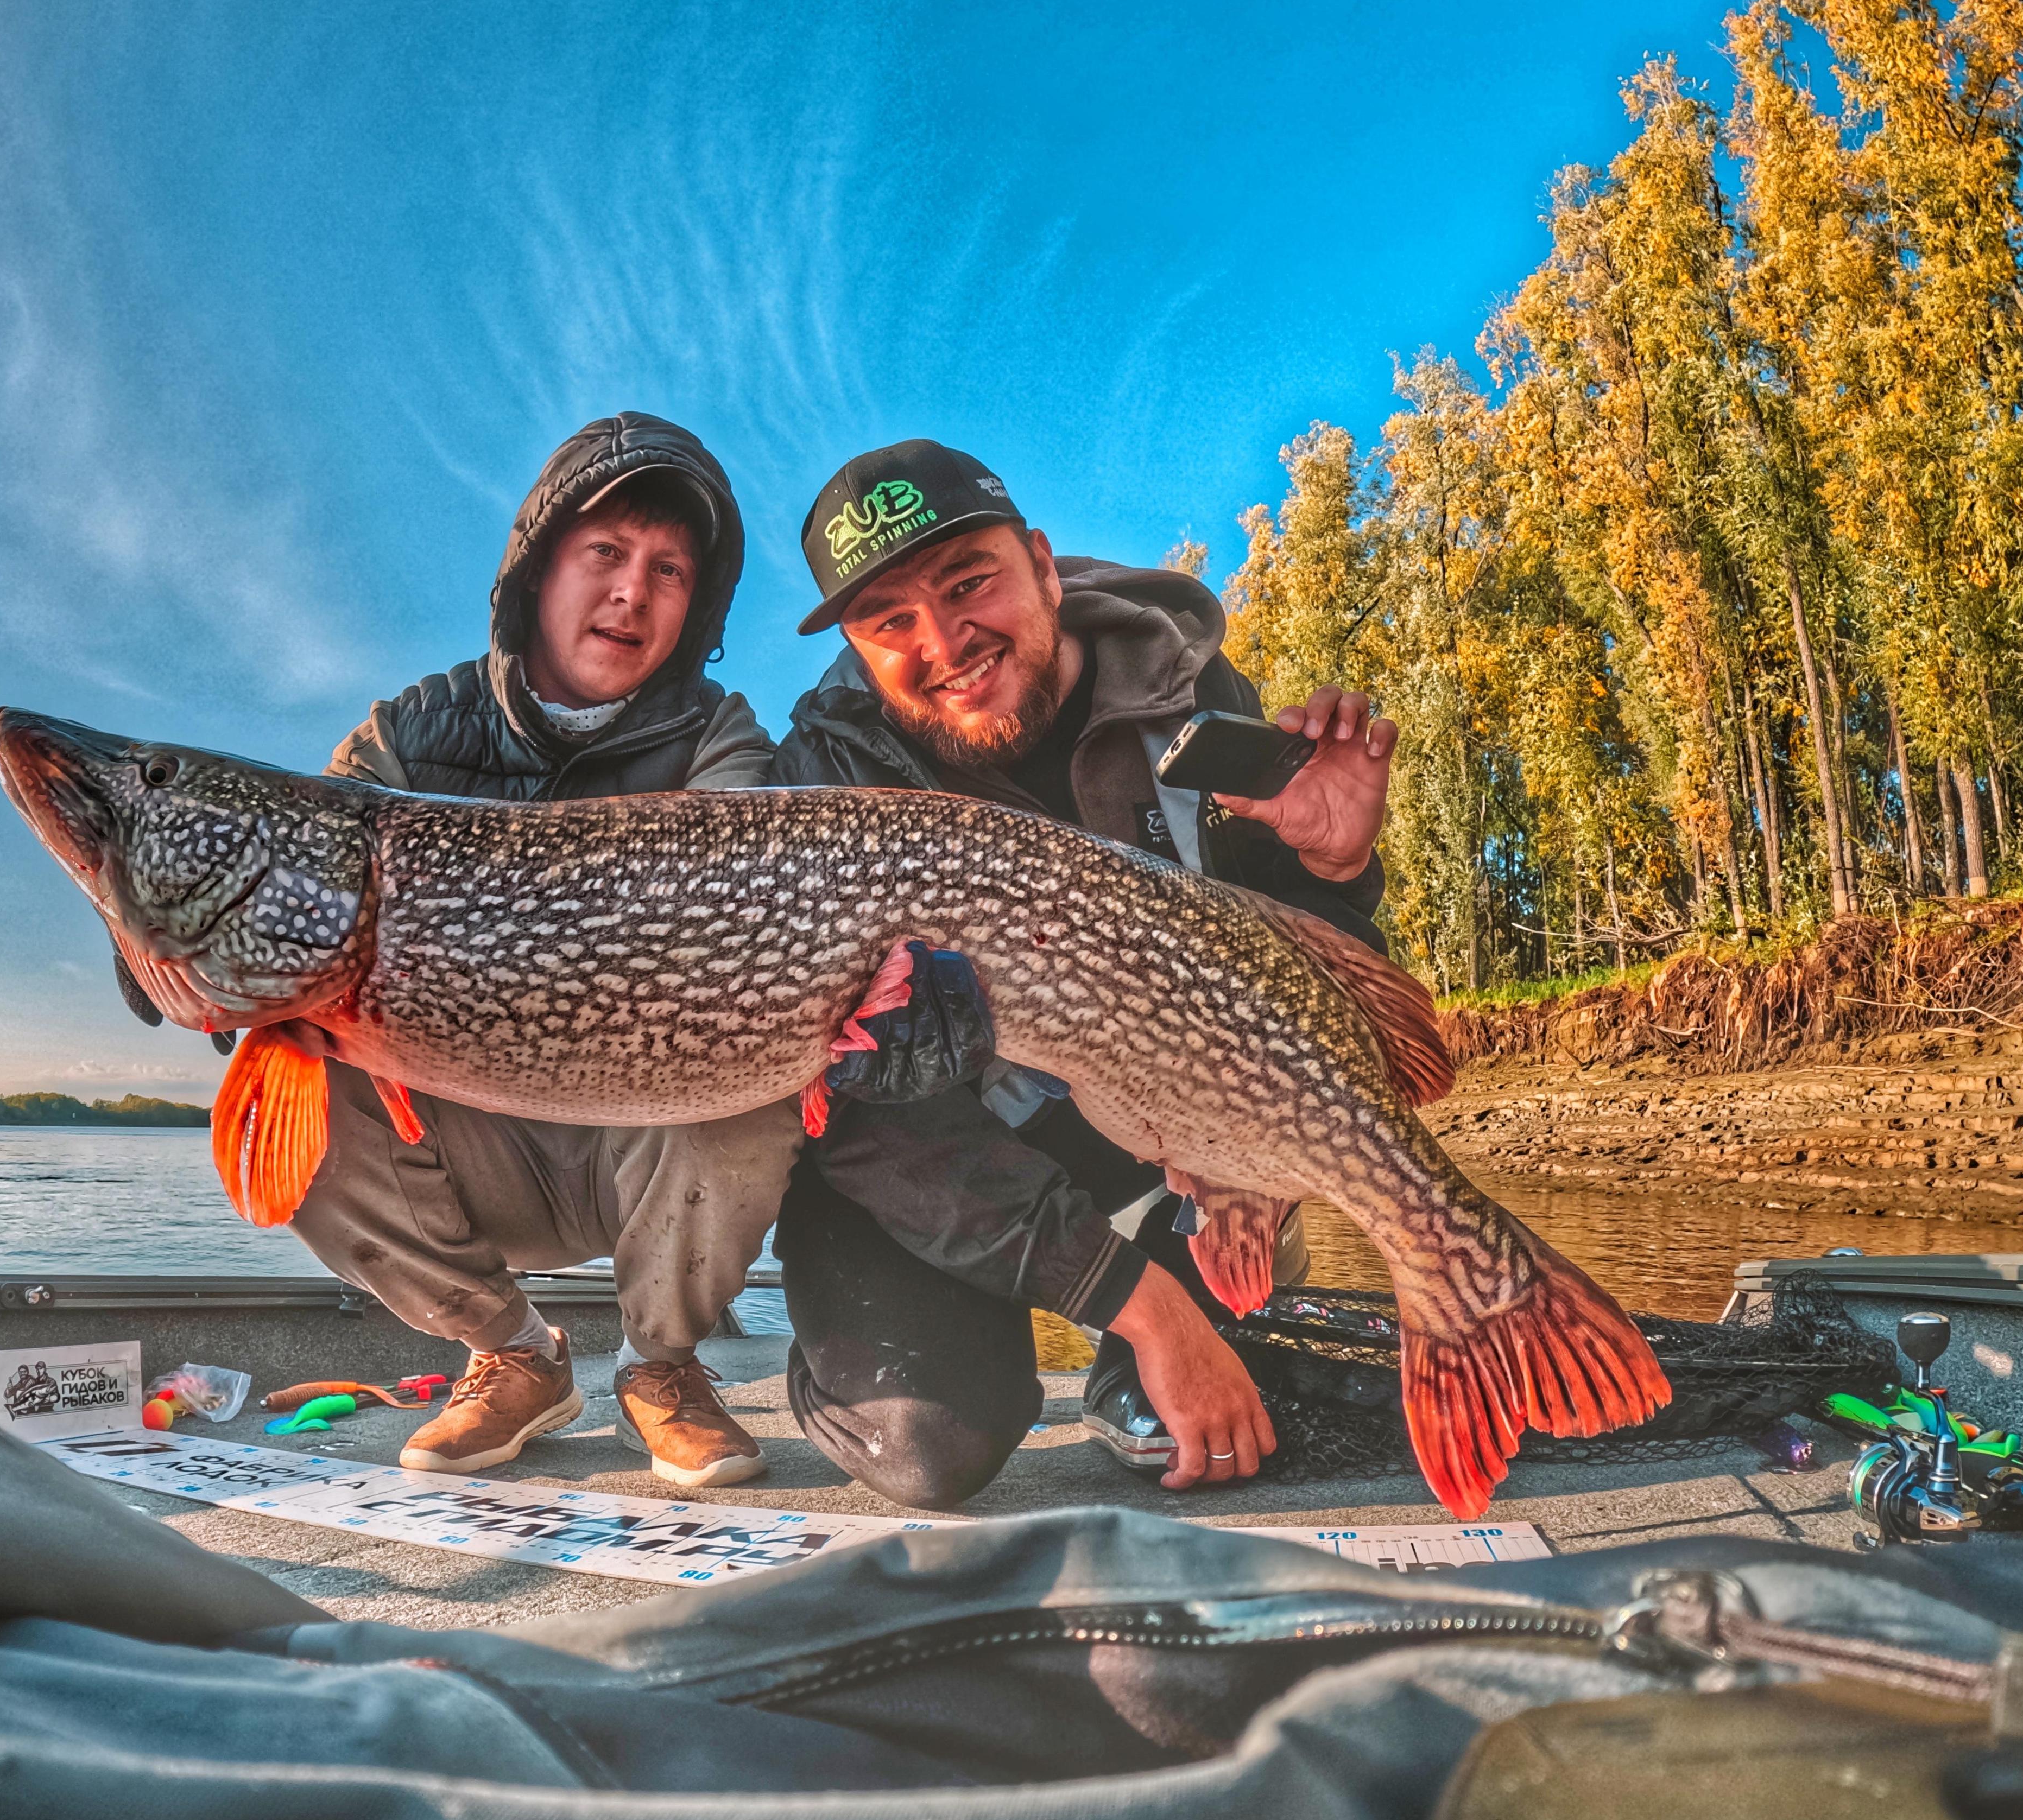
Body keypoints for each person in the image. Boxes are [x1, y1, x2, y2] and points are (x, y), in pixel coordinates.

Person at [772, 439, 1399, 1508]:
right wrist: (1137, 1302)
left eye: (968, 584)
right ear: (862, 654)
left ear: (1044, 568)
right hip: (925, 1161)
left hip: (1147, 1134)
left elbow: (1305, 1006)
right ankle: (1071, 1311)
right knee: (929, 1447)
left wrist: (1331, 869)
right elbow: (875, 1128)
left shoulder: (1188, 696)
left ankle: (1184, 1279)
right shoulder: (821, 791)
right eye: (890, 623)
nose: (945, 642)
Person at [284, 414, 800, 1485]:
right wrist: (166, 931)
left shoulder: (722, 738)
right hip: (473, 1141)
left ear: (694, 603)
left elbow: (743, 904)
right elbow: (298, 887)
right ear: (538, 572)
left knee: (757, 1057)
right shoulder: (405, 737)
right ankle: (515, 1354)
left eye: (668, 569)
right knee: (287, 1080)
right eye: (604, 554)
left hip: (645, 1136)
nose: (632, 592)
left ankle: (661, 1366)